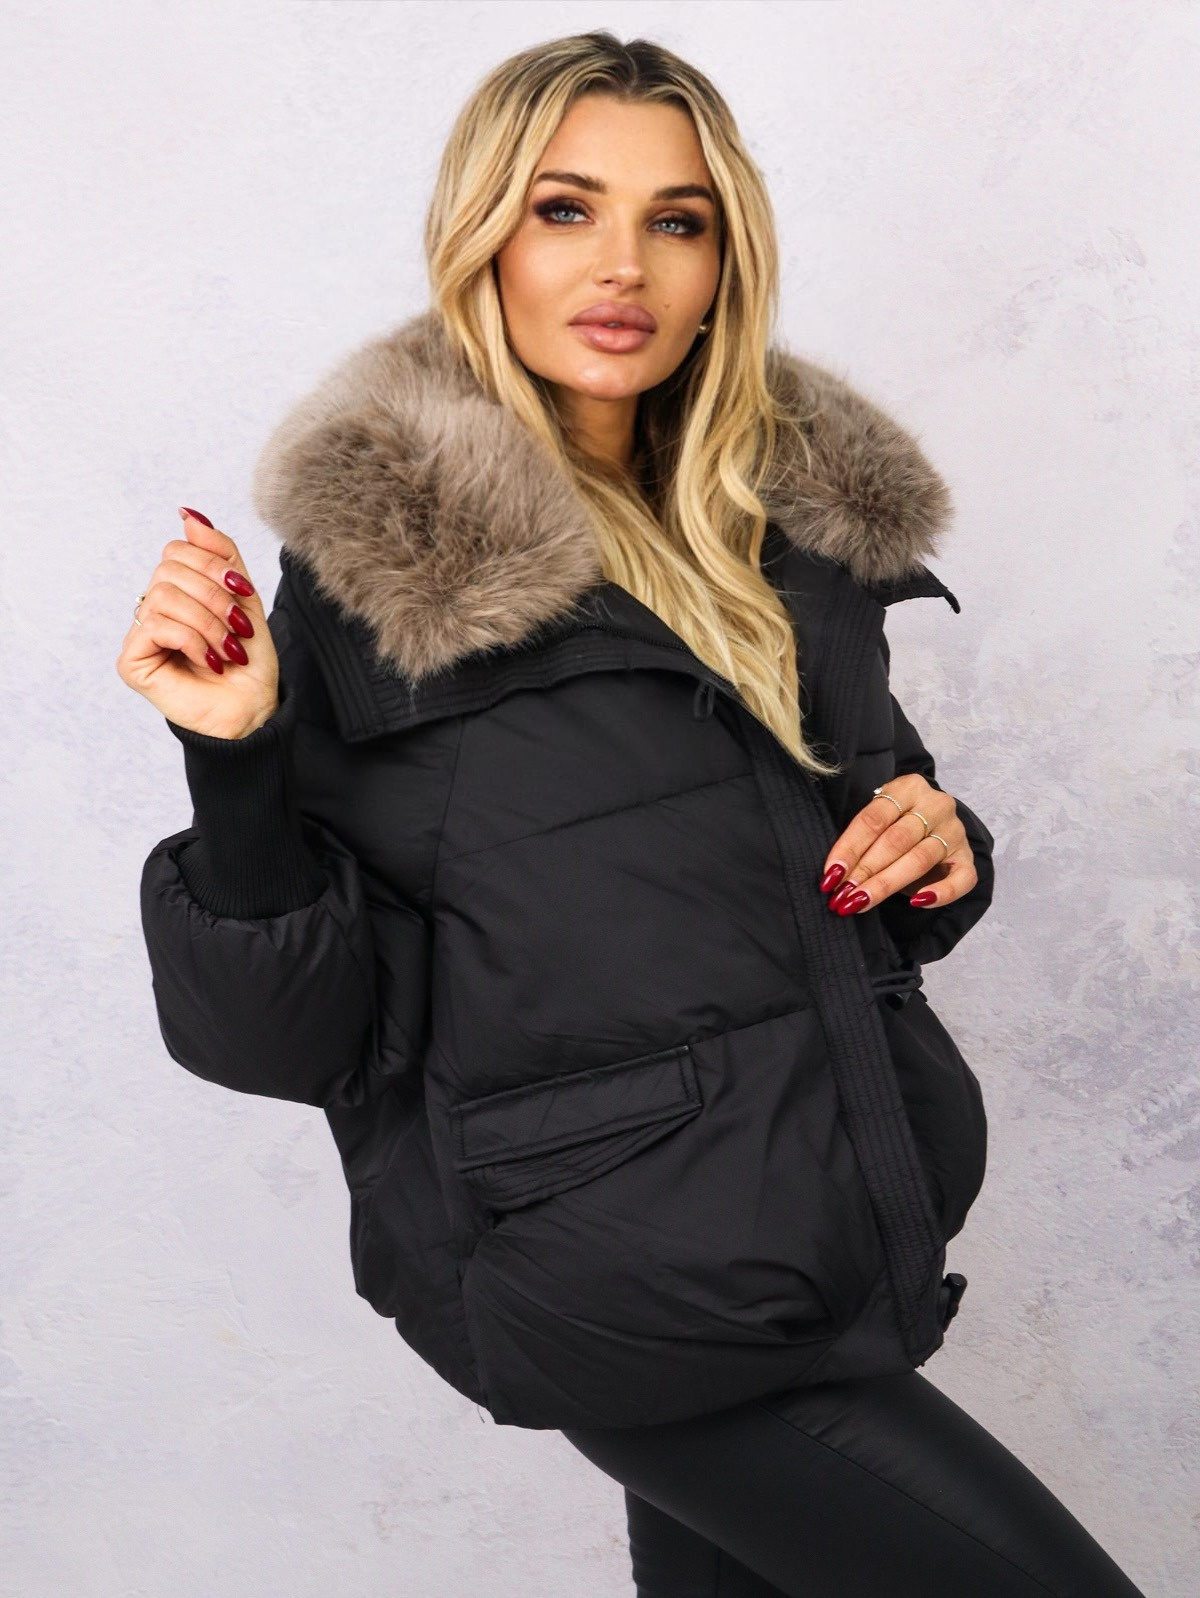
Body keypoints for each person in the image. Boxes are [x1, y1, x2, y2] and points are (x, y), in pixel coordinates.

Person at [116, 29, 1147, 1598]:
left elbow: (847, 858)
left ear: (726, 261)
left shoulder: (784, 530)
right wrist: (237, 757)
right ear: (485, 239)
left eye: (677, 220)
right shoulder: (387, 569)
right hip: (615, 1280)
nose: (624, 266)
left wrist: (941, 847)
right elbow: (286, 1040)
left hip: (815, 1235)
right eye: (565, 209)